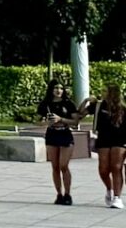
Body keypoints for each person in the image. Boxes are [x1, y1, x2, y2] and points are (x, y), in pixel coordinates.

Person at [47, 75, 84, 207]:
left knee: (63, 165)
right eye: (56, 88)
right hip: (51, 135)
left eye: (61, 88)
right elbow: (36, 120)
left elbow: (75, 121)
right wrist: (46, 121)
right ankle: (59, 194)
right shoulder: (46, 103)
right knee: (55, 166)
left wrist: (61, 119)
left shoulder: (68, 103)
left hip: (65, 134)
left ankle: (68, 194)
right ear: (51, 89)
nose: (58, 90)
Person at [95, 86, 126, 209]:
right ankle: (109, 188)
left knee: (116, 167)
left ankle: (117, 197)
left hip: (120, 139)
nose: (102, 93)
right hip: (104, 139)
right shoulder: (99, 105)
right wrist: (86, 101)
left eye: (105, 91)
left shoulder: (123, 107)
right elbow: (81, 113)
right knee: (103, 169)